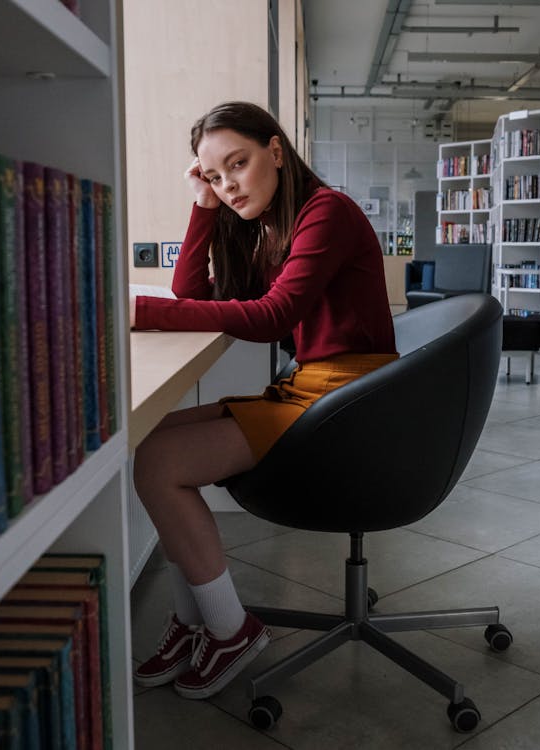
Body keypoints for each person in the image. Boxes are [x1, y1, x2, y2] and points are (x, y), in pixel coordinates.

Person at [130, 101, 398, 700]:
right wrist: (202, 208)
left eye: (239, 164)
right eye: (215, 176)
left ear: (276, 151)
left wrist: (139, 311)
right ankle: (197, 619)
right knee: (148, 439)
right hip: (316, 389)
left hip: (348, 401)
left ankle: (231, 630)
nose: (228, 186)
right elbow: (191, 291)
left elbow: (273, 315)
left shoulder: (325, 212)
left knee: (158, 463)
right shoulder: (273, 225)